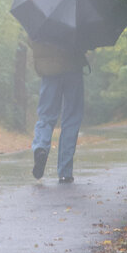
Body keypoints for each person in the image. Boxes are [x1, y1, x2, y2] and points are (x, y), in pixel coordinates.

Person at [29, 40, 87, 183]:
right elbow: (87, 42)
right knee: (71, 121)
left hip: (50, 70)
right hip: (73, 68)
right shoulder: (78, 20)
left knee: (46, 117)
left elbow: (32, 42)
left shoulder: (41, 21)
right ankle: (65, 173)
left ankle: (41, 147)